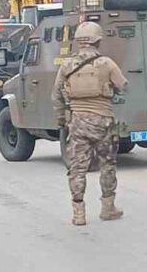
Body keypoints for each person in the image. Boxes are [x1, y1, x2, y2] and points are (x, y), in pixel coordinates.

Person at [52, 21, 128, 226]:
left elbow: (56, 95)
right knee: (107, 165)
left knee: (77, 168)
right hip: (104, 122)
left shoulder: (66, 65)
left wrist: (62, 119)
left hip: (77, 123)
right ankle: (108, 207)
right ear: (97, 40)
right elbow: (123, 86)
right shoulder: (106, 63)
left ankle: (78, 213)